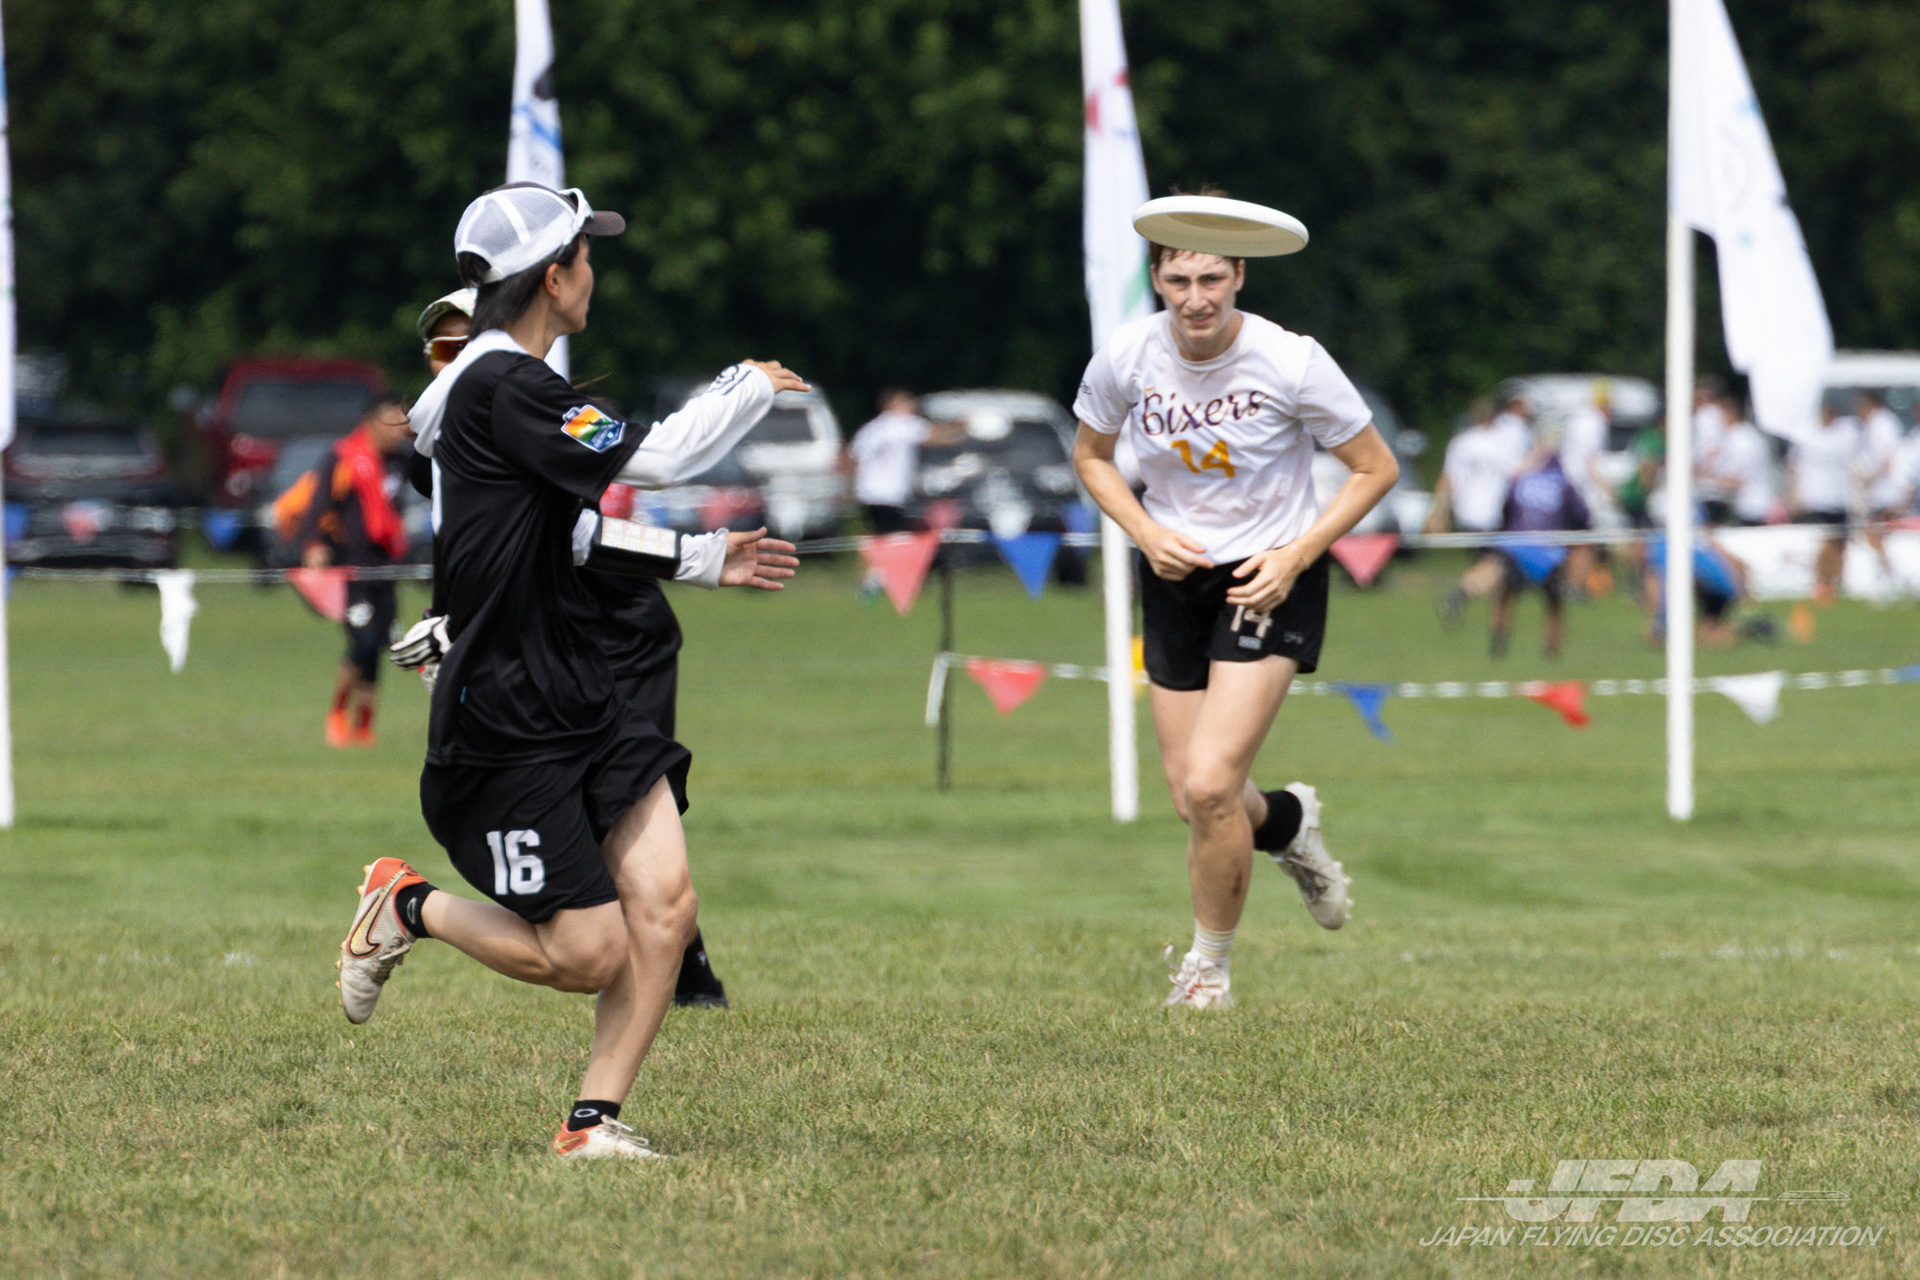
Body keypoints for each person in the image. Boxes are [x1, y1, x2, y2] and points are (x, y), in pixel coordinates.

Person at [337, 182, 805, 1161]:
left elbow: (577, 534)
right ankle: (406, 904)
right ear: (555, 277)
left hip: (586, 688)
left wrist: (703, 560)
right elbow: (662, 457)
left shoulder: (506, 389)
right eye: (587, 256)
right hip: (507, 712)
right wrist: (748, 383)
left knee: (666, 910)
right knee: (588, 951)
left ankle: (591, 1124)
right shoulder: (506, 387)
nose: (595, 272)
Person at [1071, 218, 1399, 1011]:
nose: (1196, 299)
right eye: (1179, 281)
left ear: (1241, 276)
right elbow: (1091, 456)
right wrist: (1145, 533)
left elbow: (1374, 468)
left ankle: (1207, 972)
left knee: (1214, 783)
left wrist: (1297, 555)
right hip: (1173, 574)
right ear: (1157, 279)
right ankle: (1286, 823)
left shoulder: (1292, 360)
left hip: (1269, 575)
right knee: (1195, 798)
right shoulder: (1127, 355)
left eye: (1212, 279)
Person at [408, 288, 742, 1009]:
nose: (453, 358)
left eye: (465, 342)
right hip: (536, 668)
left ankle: (681, 957)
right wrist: (449, 627)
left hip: (618, 638)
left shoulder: (526, 402)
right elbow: (478, 552)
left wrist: (699, 557)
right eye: (440, 349)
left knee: (634, 835)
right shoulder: (444, 437)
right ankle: (662, 960)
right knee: (595, 913)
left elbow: (582, 536)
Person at [297, 392, 415, 747]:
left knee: (380, 645)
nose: (400, 429)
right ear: (372, 422)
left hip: (387, 567)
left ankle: (364, 725)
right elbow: (318, 504)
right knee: (362, 643)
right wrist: (313, 544)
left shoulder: (402, 461)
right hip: (351, 568)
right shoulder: (343, 457)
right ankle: (337, 712)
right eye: (393, 421)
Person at [1488, 437, 1591, 659]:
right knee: (1554, 601)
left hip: (1516, 547)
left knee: (1505, 594)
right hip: (1548, 552)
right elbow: (1582, 515)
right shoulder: (1562, 482)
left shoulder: (1522, 479)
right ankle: (1552, 648)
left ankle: (1497, 641)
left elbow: (1505, 509)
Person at [1433, 396, 1527, 624]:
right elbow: (1518, 471)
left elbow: (1447, 479)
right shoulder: (1500, 442)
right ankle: (1459, 595)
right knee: (1500, 563)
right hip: (1492, 512)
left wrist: (1439, 511)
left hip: (1466, 512)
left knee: (1487, 562)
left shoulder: (1461, 442)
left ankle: (1492, 616)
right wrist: (1543, 451)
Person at [844, 389, 963, 533]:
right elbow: (934, 436)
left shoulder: (871, 428)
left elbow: (852, 456)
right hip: (890, 493)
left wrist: (850, 487)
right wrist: (962, 428)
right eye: (907, 402)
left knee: (881, 533)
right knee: (894, 535)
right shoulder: (900, 423)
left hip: (869, 493)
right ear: (893, 404)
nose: (912, 406)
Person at [1789, 400, 1860, 604]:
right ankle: (1822, 582)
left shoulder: (1846, 434)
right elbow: (1793, 465)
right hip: (1817, 499)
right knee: (1825, 542)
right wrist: (1795, 495)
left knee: (1840, 542)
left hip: (1840, 498)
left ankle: (1837, 581)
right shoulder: (1807, 435)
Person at [1856, 390, 1908, 591]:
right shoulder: (1874, 424)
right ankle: (1888, 572)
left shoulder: (1883, 423)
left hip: (1887, 491)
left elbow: (1888, 457)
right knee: (1876, 535)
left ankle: (1891, 573)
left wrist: (1870, 478)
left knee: (1873, 532)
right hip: (1880, 492)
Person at [1710, 396, 1778, 527]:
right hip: (1749, 504)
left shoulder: (1742, 440)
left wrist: (1710, 482)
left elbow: (1738, 478)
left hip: (1753, 506)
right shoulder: (1743, 436)